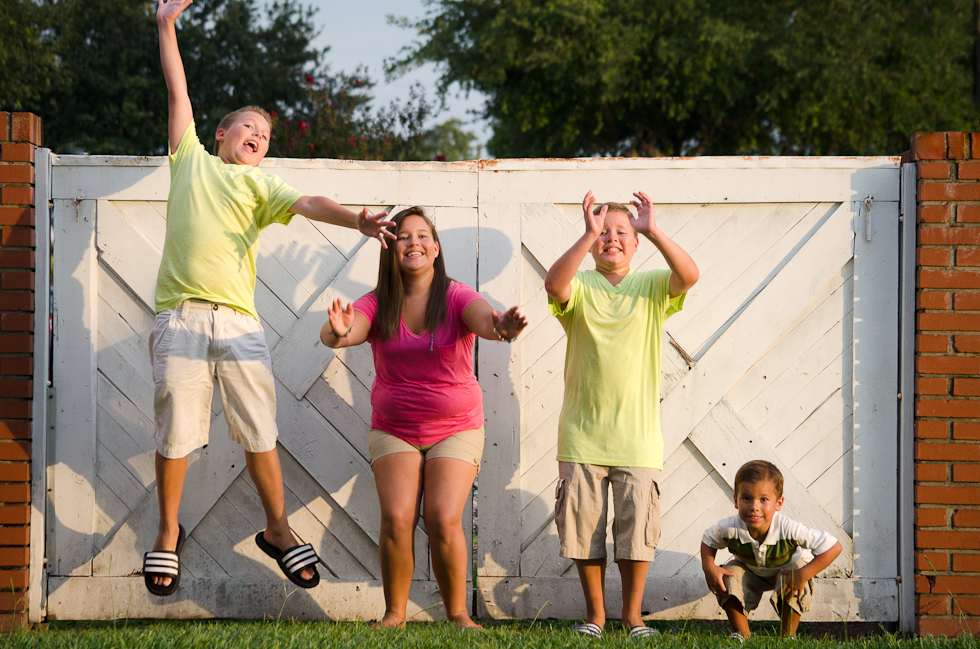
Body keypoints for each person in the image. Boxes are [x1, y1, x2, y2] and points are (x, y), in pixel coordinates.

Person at [143, 0, 395, 597]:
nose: (257, 137)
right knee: (176, 430)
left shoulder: (262, 185)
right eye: (247, 128)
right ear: (220, 134)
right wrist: (165, 26)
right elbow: (178, 93)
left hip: (237, 323)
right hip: (180, 317)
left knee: (260, 429)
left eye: (265, 135)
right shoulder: (190, 162)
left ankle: (277, 530)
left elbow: (310, 203)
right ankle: (165, 534)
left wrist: (355, 222)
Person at [320, 207, 527, 628]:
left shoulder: (455, 296)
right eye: (402, 236)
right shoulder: (377, 302)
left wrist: (502, 326)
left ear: (435, 249)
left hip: (456, 428)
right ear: (390, 248)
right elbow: (342, 333)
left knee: (441, 516)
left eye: (422, 236)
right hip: (394, 429)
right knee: (397, 516)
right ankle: (394, 613)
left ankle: (457, 615)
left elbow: (485, 321)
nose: (412, 241)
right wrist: (339, 330)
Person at [544, 191, 699, 638]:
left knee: (636, 534)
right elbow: (554, 285)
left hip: (637, 438)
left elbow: (689, 274)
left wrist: (654, 229)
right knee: (585, 532)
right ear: (593, 243)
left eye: (622, 232)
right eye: (603, 232)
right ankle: (595, 616)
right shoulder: (581, 286)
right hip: (582, 435)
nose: (611, 238)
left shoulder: (651, 286)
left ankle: (632, 617)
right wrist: (585, 234)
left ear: (635, 245)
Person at [701, 460, 844, 641]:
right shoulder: (730, 528)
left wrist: (804, 574)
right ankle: (742, 636)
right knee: (728, 574)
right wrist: (709, 567)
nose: (754, 506)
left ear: (778, 503)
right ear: (735, 500)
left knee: (795, 570)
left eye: (764, 499)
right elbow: (708, 540)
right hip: (751, 572)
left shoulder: (788, 529)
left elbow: (833, 546)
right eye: (746, 498)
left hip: (786, 573)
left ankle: (786, 637)